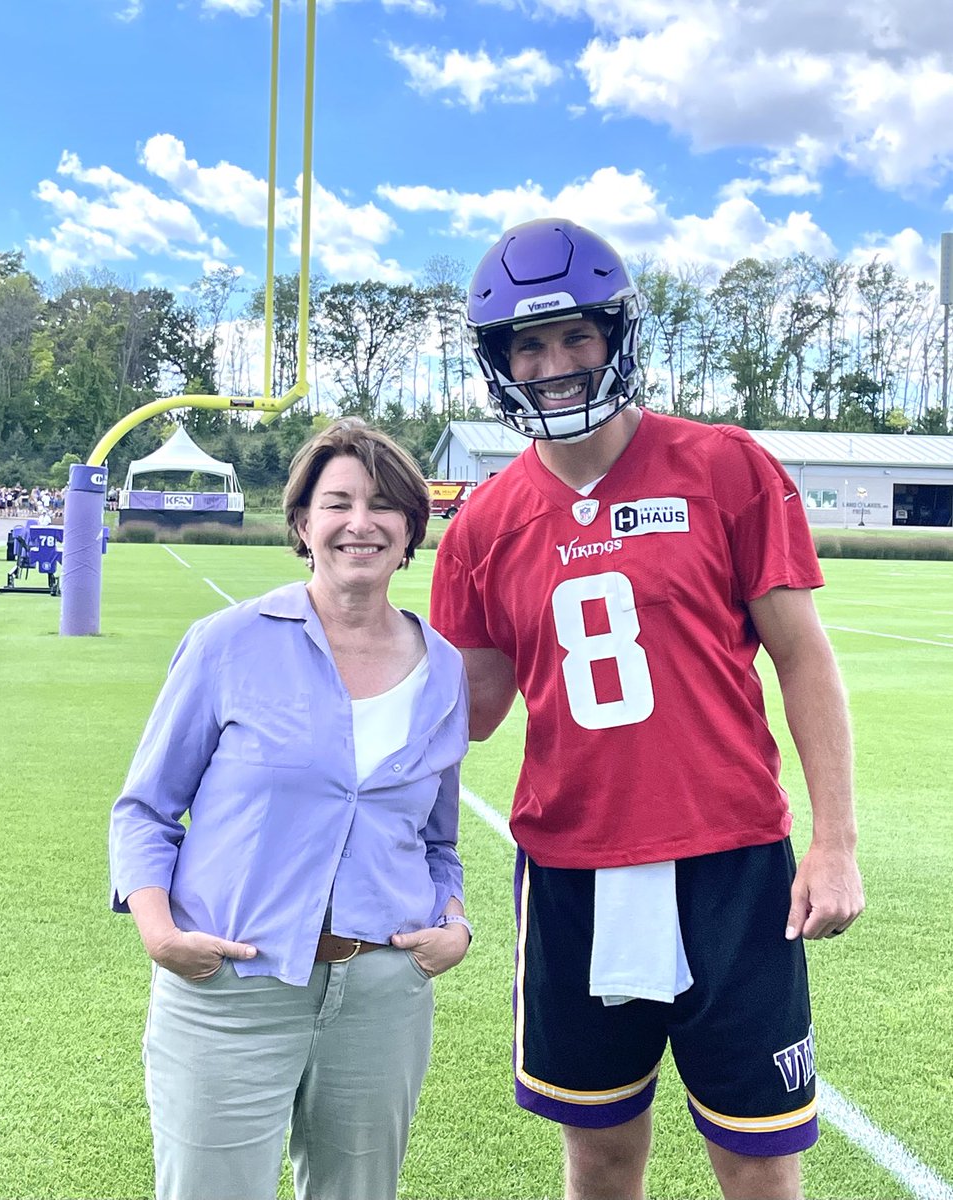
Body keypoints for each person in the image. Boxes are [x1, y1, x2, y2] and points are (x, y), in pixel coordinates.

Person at [430, 219, 864, 1200]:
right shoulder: (484, 524)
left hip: (730, 859)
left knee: (757, 1155)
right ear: (499, 363)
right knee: (598, 1147)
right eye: (528, 347)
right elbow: (474, 711)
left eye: (574, 337)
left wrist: (833, 842)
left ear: (616, 336)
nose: (553, 365)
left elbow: (802, 660)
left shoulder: (723, 467)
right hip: (573, 864)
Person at [109, 418, 471, 1200]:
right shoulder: (226, 643)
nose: (360, 523)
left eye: (384, 505)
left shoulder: (443, 670)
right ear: (303, 524)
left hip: (381, 995)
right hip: (233, 988)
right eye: (337, 502)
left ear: (411, 528)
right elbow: (145, 808)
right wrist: (158, 930)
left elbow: (437, 839)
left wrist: (455, 921)